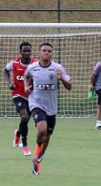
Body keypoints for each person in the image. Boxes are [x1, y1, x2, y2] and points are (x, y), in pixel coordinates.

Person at [24, 42, 72, 175]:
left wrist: (61, 78)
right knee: (42, 129)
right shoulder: (32, 67)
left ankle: (38, 157)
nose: (46, 53)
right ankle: (38, 148)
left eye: (49, 51)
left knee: (48, 135)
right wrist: (26, 87)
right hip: (36, 104)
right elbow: (26, 76)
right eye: (44, 50)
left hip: (51, 107)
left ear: (52, 53)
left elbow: (69, 86)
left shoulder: (58, 68)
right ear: (39, 52)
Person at [4, 41, 37, 156]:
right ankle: (25, 146)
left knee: (25, 121)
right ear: (20, 52)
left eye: (29, 50)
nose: (27, 53)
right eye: (24, 51)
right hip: (18, 95)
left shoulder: (35, 64)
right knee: (24, 117)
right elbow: (6, 70)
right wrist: (9, 83)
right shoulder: (14, 64)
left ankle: (18, 133)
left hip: (32, 96)